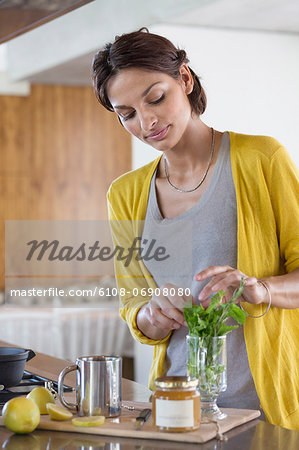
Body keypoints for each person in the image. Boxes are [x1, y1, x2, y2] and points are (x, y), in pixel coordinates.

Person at [92, 28, 299, 430]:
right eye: (127, 113)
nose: (147, 121)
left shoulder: (262, 158)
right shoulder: (125, 194)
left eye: (155, 98)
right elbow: (133, 303)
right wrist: (151, 317)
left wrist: (263, 289)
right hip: (173, 409)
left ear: (185, 80)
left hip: (264, 408)